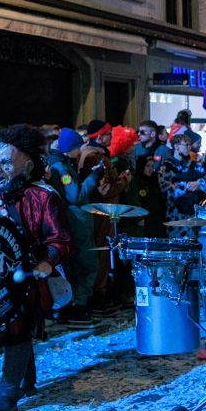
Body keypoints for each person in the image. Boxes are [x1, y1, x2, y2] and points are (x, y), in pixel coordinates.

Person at [0, 125, 74, 411]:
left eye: (5, 163)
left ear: (26, 166)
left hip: (30, 281)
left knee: (14, 328)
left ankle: (8, 391)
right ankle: (26, 381)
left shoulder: (44, 197)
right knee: (11, 329)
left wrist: (45, 263)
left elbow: (60, 240)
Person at [46, 128, 99, 329]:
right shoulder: (62, 169)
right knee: (85, 264)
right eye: (79, 147)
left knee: (75, 266)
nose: (81, 152)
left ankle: (72, 306)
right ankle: (79, 307)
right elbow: (76, 196)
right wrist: (94, 177)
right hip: (76, 223)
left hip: (74, 223)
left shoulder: (61, 165)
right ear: (71, 148)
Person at [78, 120, 130, 315]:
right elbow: (104, 189)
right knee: (101, 250)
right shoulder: (94, 157)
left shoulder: (96, 155)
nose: (111, 137)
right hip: (101, 213)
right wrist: (124, 181)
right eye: (108, 134)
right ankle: (98, 293)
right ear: (100, 137)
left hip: (103, 212)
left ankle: (101, 290)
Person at [158, 133, 206, 240]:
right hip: (175, 215)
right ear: (176, 147)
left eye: (190, 145)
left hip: (194, 213)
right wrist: (185, 186)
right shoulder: (166, 167)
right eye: (186, 145)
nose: (189, 148)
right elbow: (165, 190)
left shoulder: (196, 165)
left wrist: (199, 184)